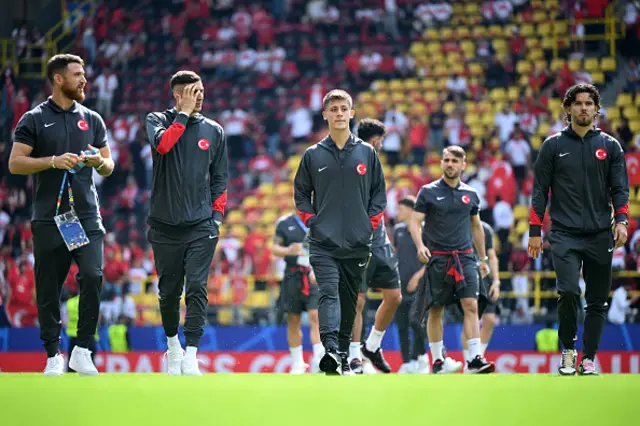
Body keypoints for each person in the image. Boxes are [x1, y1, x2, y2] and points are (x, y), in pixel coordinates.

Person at [9, 54, 114, 376]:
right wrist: (53, 161)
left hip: (84, 215)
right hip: (50, 216)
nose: (84, 80)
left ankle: (82, 349)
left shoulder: (92, 119)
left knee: (93, 275)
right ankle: (53, 354)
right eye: (77, 74)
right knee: (50, 287)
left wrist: (99, 163)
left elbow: (109, 165)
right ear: (58, 79)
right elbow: (15, 163)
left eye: (84, 74)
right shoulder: (34, 119)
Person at [528, 83, 630, 376]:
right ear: (568, 108)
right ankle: (569, 350)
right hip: (564, 233)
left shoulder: (610, 146)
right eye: (578, 103)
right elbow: (539, 191)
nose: (583, 108)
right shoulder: (553, 146)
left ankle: (589, 358)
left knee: (597, 301)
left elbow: (620, 189)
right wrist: (535, 230)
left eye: (589, 103)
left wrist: (621, 220)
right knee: (569, 291)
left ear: (597, 109)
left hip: (600, 232)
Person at [294, 89, 387, 376]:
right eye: (332, 109)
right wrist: (313, 222)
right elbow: (300, 195)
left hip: (359, 241)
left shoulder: (367, 153)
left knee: (351, 300)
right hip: (323, 242)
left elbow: (379, 196)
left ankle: (344, 355)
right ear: (324, 114)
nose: (338, 113)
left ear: (351, 113)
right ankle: (332, 350)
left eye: (342, 108)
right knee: (329, 293)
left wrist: (367, 226)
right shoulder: (312, 155)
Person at [145, 70, 228, 376]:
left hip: (201, 225)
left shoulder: (214, 131)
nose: (201, 96)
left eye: (202, 90)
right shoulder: (156, 120)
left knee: (196, 286)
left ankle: (192, 352)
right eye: (194, 91)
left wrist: (217, 218)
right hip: (164, 225)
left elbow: (220, 178)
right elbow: (164, 146)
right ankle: (173, 347)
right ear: (178, 95)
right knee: (169, 291)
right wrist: (182, 114)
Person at [408, 145, 495, 374]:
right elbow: (414, 221)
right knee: (435, 309)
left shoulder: (471, 194)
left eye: (455, 161)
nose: (450, 164)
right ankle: (438, 360)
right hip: (437, 258)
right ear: (441, 163)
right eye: (446, 160)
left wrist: (483, 258)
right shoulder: (427, 191)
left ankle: (475, 358)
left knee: (471, 305)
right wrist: (420, 246)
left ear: (463, 165)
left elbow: (477, 228)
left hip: (465, 257)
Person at [348, 118, 401, 374]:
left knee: (394, 297)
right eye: (381, 140)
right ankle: (354, 355)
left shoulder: (375, 163)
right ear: (377, 139)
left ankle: (372, 345)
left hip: (379, 240)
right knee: (358, 300)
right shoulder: (352, 161)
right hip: (356, 241)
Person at [272, 208, 324, 374]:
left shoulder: (321, 220)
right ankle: (298, 363)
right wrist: (288, 250)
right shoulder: (284, 223)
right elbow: (275, 249)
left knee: (315, 315)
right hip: (293, 275)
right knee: (293, 319)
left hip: (314, 274)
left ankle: (319, 357)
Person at [393, 196, 430, 374]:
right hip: (400, 286)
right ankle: (407, 362)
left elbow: (432, 258)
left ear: (409, 210)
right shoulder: (398, 230)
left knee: (416, 323)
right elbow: (395, 253)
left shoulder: (424, 231)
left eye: (400, 209)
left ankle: (421, 358)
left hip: (420, 287)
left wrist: (417, 277)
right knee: (401, 325)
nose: (397, 212)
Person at [460, 220, 501, 371]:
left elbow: (492, 256)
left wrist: (496, 281)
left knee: (490, 320)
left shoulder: (485, 229)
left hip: (485, 278)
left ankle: (478, 356)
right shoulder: (459, 225)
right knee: (470, 319)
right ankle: (469, 360)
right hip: (465, 276)